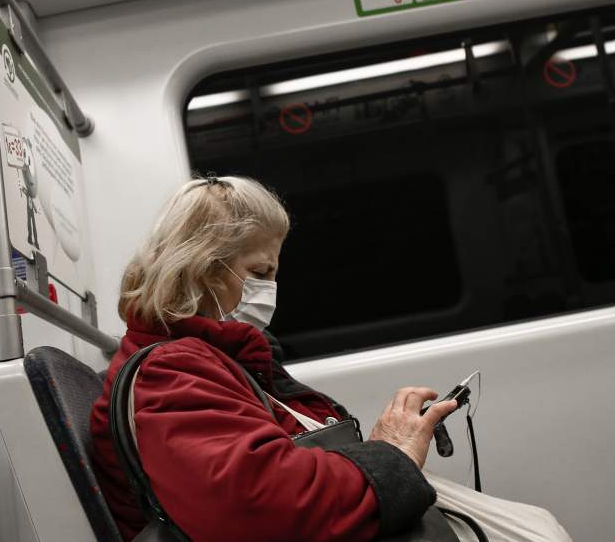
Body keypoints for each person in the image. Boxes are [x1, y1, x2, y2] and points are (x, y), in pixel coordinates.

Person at [90, 176, 571, 542]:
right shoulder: (169, 372)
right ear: (202, 269)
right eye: (259, 271)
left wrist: (384, 446)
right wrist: (391, 459)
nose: (270, 289)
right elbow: (262, 505)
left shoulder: (214, 359)